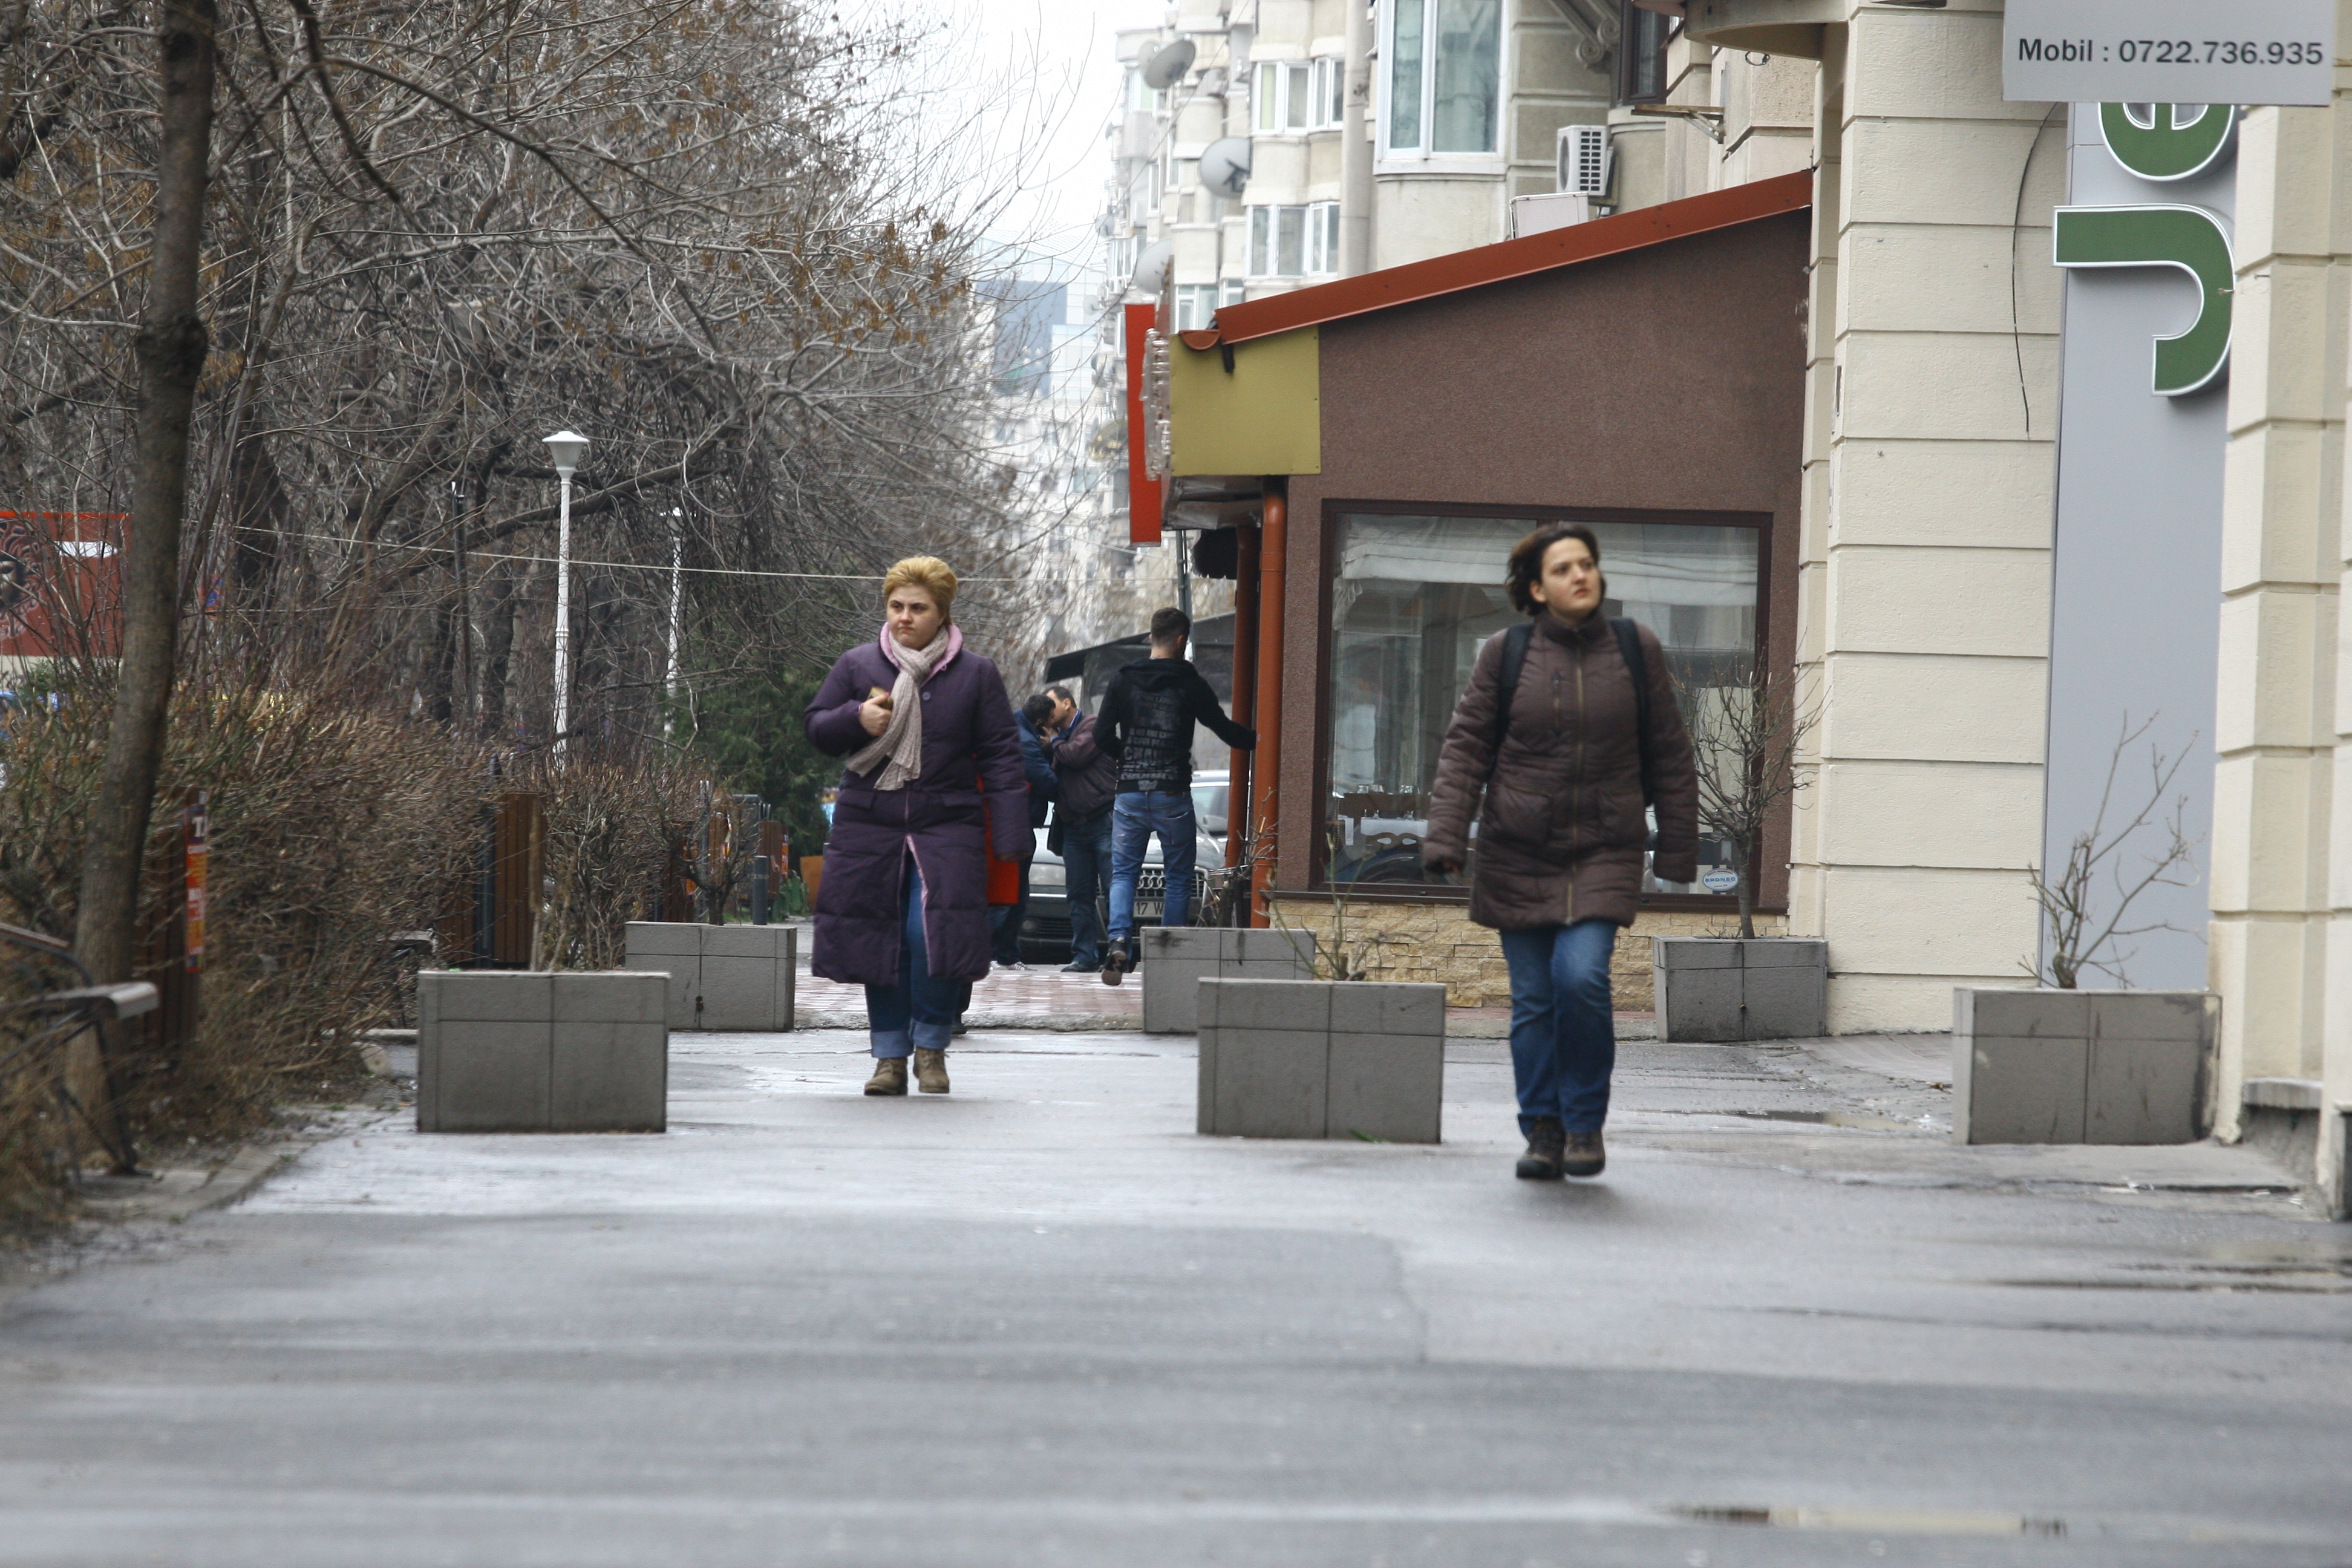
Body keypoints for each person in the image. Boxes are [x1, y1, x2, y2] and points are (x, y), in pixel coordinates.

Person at [1420, 523, 1697, 1181]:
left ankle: (1583, 1122)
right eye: (1565, 568)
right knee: (1536, 1000)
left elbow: (1670, 752)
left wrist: (1680, 849)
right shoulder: (1505, 653)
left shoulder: (1636, 649)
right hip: (1519, 851)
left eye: (1587, 564)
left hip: (1604, 848)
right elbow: (1467, 747)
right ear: (1537, 589)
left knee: (1583, 979)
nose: (1581, 575)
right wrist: (1447, 834)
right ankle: (1542, 1128)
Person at [804, 557, 1028, 1096]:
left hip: (947, 825)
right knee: (881, 941)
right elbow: (816, 727)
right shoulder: (858, 666)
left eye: (918, 608)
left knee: (928, 937)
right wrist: (855, 719)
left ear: (942, 613)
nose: (904, 617)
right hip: (868, 825)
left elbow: (1001, 755)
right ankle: (888, 1058)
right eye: (896, 606)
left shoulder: (976, 674)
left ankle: (930, 1048)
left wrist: (1015, 836)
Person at [1094, 606, 1255, 983]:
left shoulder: (1122, 680)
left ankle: (1118, 940)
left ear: (1152, 637)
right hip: (1172, 794)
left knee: (1123, 875)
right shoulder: (1190, 684)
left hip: (1130, 794)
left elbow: (1101, 737)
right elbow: (1226, 731)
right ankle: (1164, 959)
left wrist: (1130, 759)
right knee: (1179, 876)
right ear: (1182, 640)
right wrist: (1261, 739)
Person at [1039, 684, 1118, 972]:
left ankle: (1119, 954)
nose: (1047, 714)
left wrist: (1053, 744)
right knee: (1078, 895)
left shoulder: (1093, 725)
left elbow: (1075, 756)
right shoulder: (1054, 738)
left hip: (1103, 820)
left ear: (1068, 704)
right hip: (1073, 826)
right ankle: (1084, 956)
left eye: (1051, 706)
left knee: (1113, 891)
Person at [990, 691, 1059, 970]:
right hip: (1015, 824)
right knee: (1013, 893)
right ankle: (999, 954)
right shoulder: (1026, 742)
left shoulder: (1016, 732)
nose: (1054, 724)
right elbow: (1047, 782)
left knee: (1014, 892)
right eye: (1051, 719)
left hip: (1011, 822)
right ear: (1041, 720)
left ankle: (1005, 954)